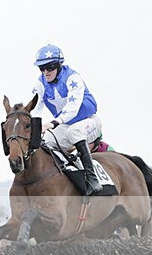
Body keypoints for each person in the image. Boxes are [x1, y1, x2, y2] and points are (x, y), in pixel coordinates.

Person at [31, 44, 104, 195]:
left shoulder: (72, 78)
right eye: (42, 68)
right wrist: (35, 127)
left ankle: (92, 178)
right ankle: (66, 174)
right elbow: (36, 108)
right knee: (47, 142)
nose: (46, 72)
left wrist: (52, 123)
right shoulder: (41, 83)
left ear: (59, 65)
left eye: (49, 67)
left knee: (74, 132)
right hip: (65, 125)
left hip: (88, 121)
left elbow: (72, 108)